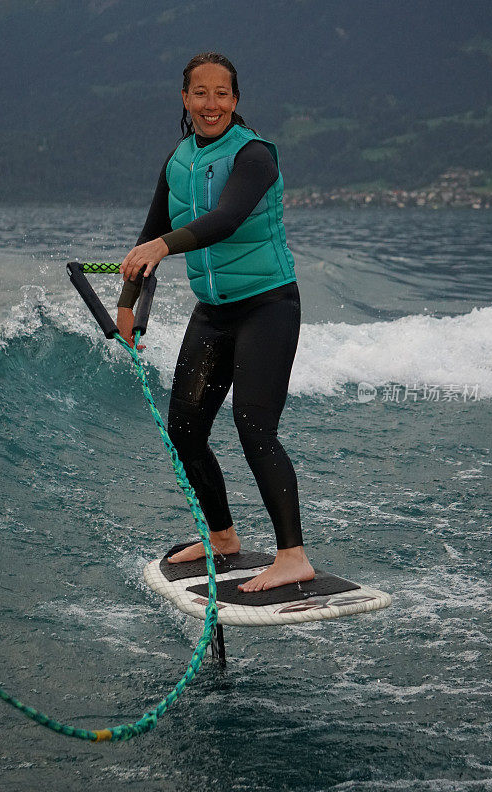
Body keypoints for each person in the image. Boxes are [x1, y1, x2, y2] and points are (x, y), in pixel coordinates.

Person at [118, 52, 314, 592]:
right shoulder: (178, 160)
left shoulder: (254, 156)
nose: (211, 104)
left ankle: (293, 554)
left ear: (235, 100)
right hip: (214, 312)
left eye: (222, 94)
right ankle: (223, 536)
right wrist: (127, 304)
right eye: (199, 93)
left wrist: (162, 245)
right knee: (184, 429)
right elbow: (150, 231)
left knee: (254, 427)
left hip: (267, 306)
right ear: (184, 98)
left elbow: (226, 220)